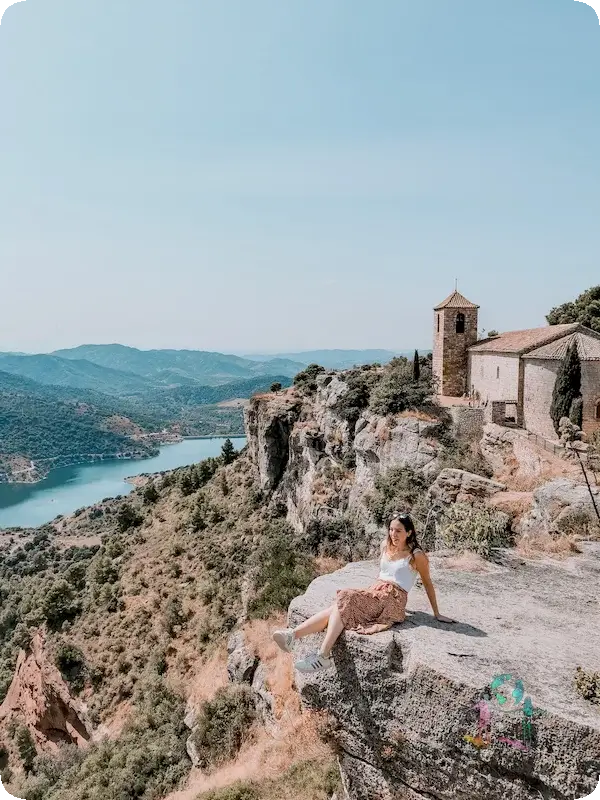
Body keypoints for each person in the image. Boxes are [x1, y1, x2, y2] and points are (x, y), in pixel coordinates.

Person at [272, 511, 454, 673]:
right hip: (377, 593)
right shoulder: (386, 546)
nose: (393, 534)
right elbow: (383, 573)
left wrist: (436, 613)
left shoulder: (416, 555)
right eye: (391, 529)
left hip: (393, 600)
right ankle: (293, 636)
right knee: (339, 606)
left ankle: (322, 655)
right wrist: (369, 592)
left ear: (409, 532)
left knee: (345, 598)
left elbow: (428, 583)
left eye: (398, 531)